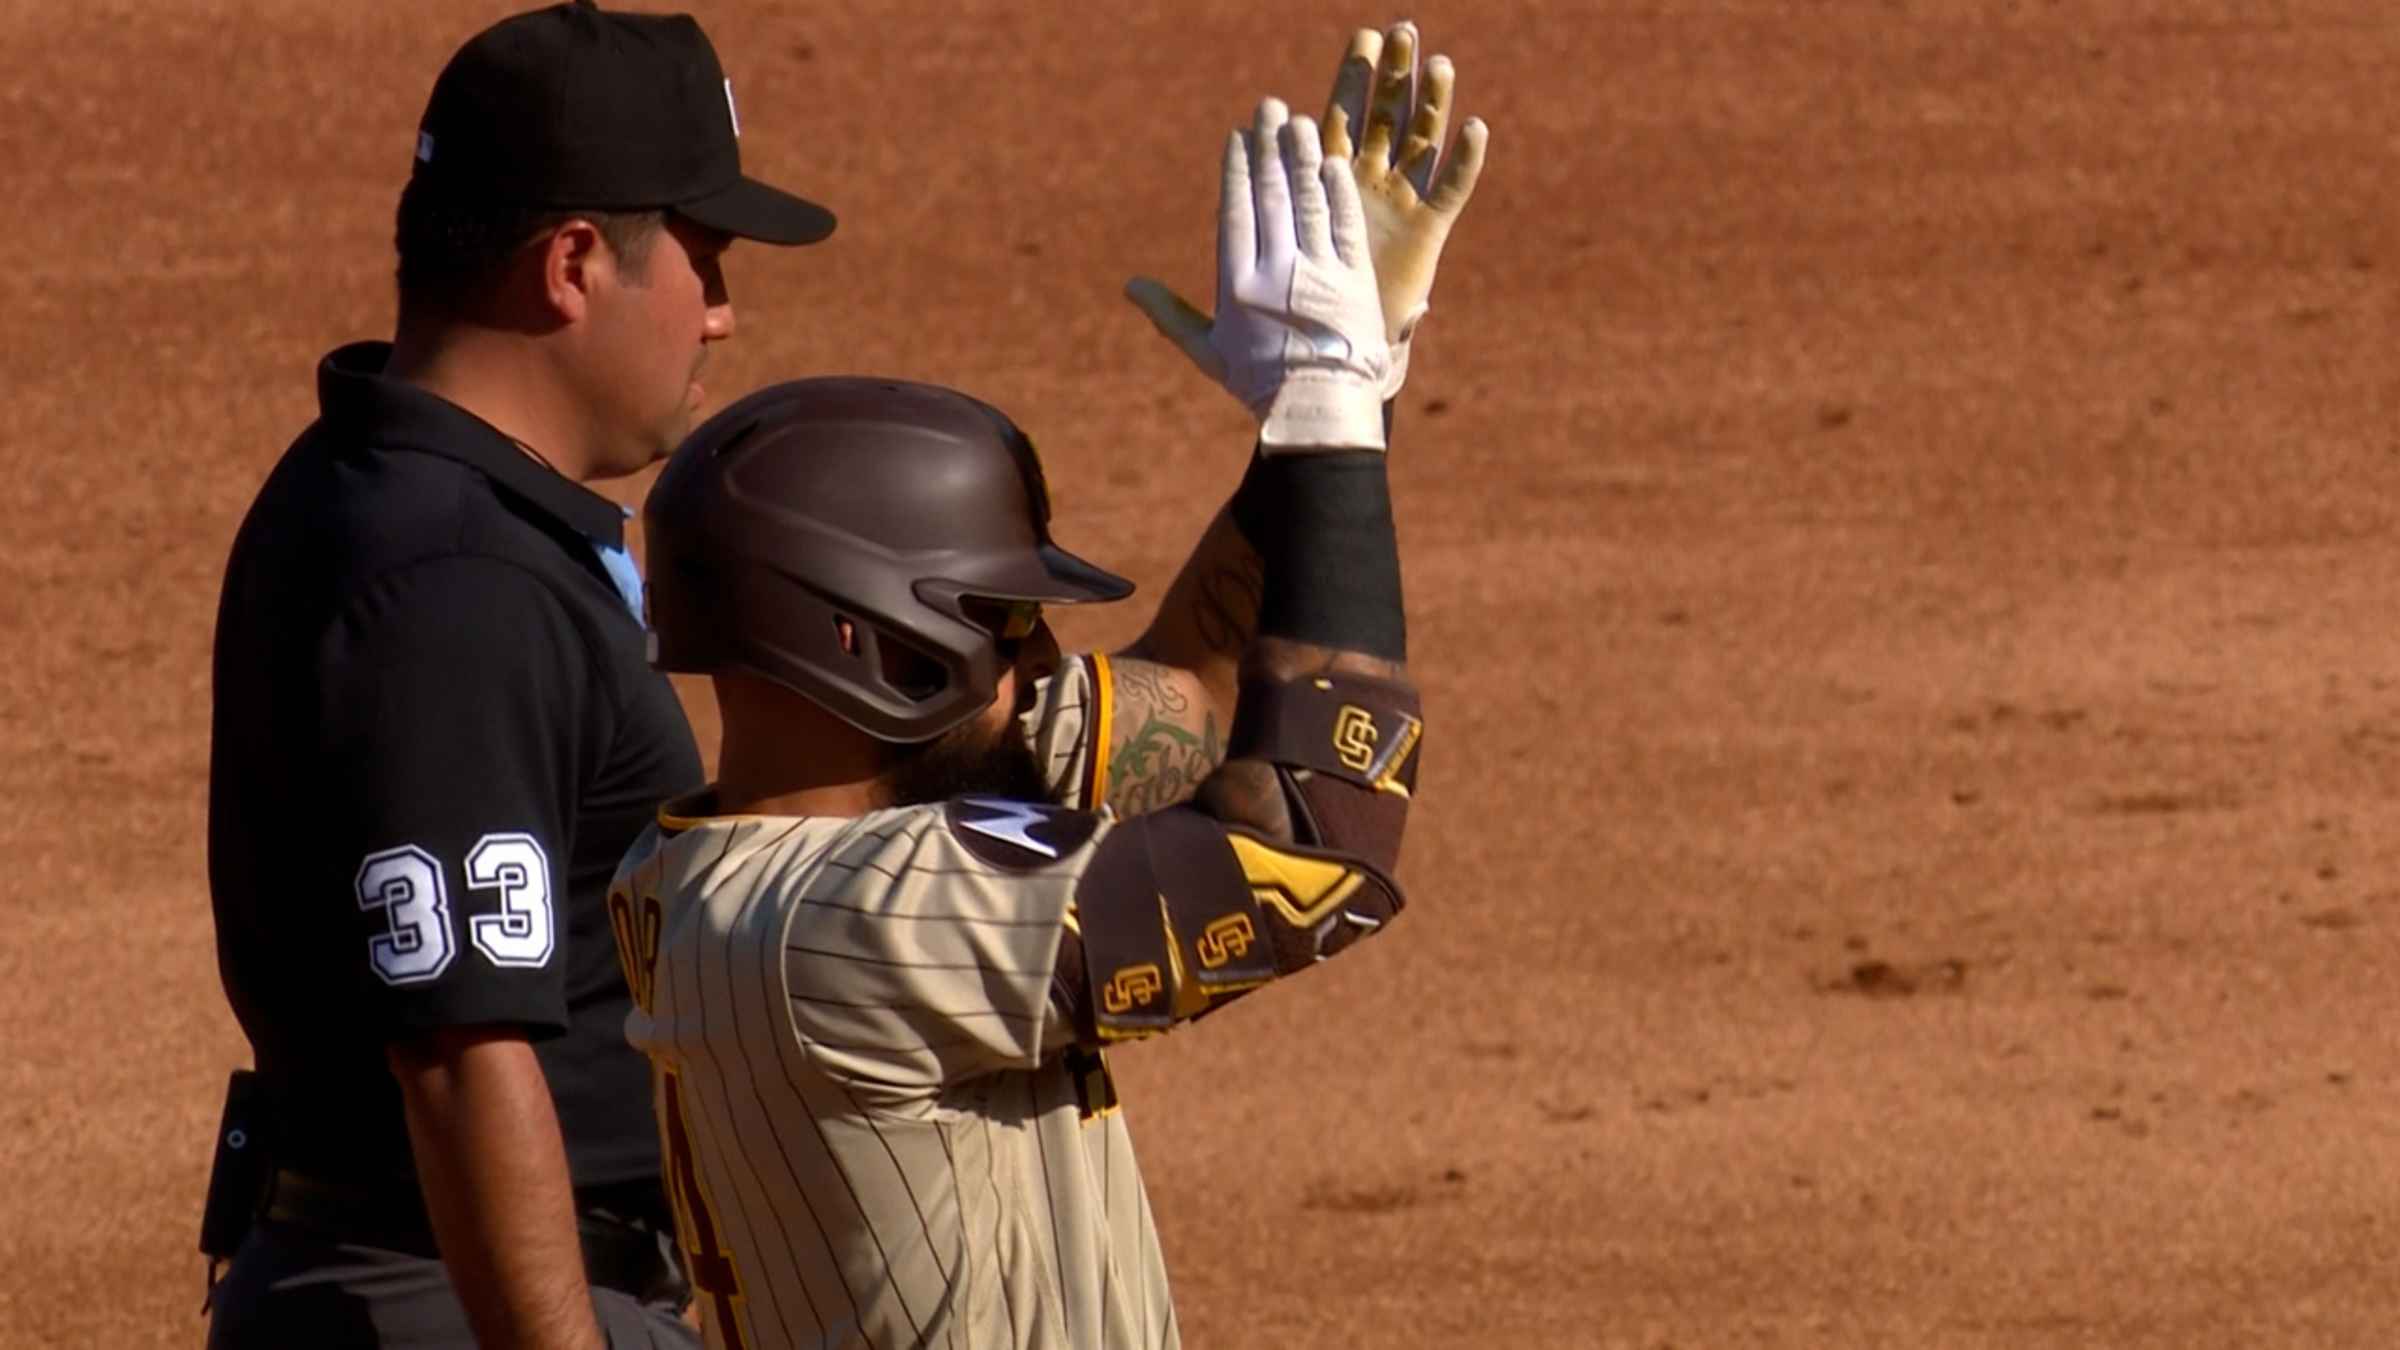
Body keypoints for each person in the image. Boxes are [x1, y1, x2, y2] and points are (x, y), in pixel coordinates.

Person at [604, 63, 1488, 1348]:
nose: (1042, 667)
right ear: (874, 650)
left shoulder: (735, 860)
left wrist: (1334, 420)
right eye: (1005, 628)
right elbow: (1312, 845)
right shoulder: (839, 932)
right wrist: (1327, 412)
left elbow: (1197, 691)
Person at [201, 3, 838, 1346]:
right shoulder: (453, 585)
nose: (723, 316)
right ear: (573, 264)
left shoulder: (384, 495)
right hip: (461, 1302)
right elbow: (456, 1054)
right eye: (705, 258)